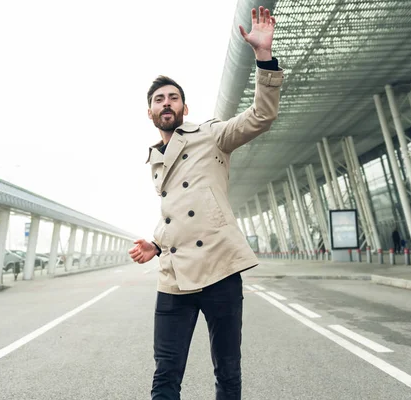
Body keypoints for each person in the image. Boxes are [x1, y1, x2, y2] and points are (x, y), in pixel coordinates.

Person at [128, 6, 283, 400]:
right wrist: (158, 242)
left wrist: (263, 57)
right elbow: (180, 207)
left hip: (219, 270)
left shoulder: (212, 135)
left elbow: (261, 115)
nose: (167, 103)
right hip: (174, 277)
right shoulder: (154, 157)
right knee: (165, 375)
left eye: (173, 98)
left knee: (228, 371)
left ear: (185, 107)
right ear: (149, 112)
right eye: (159, 99)